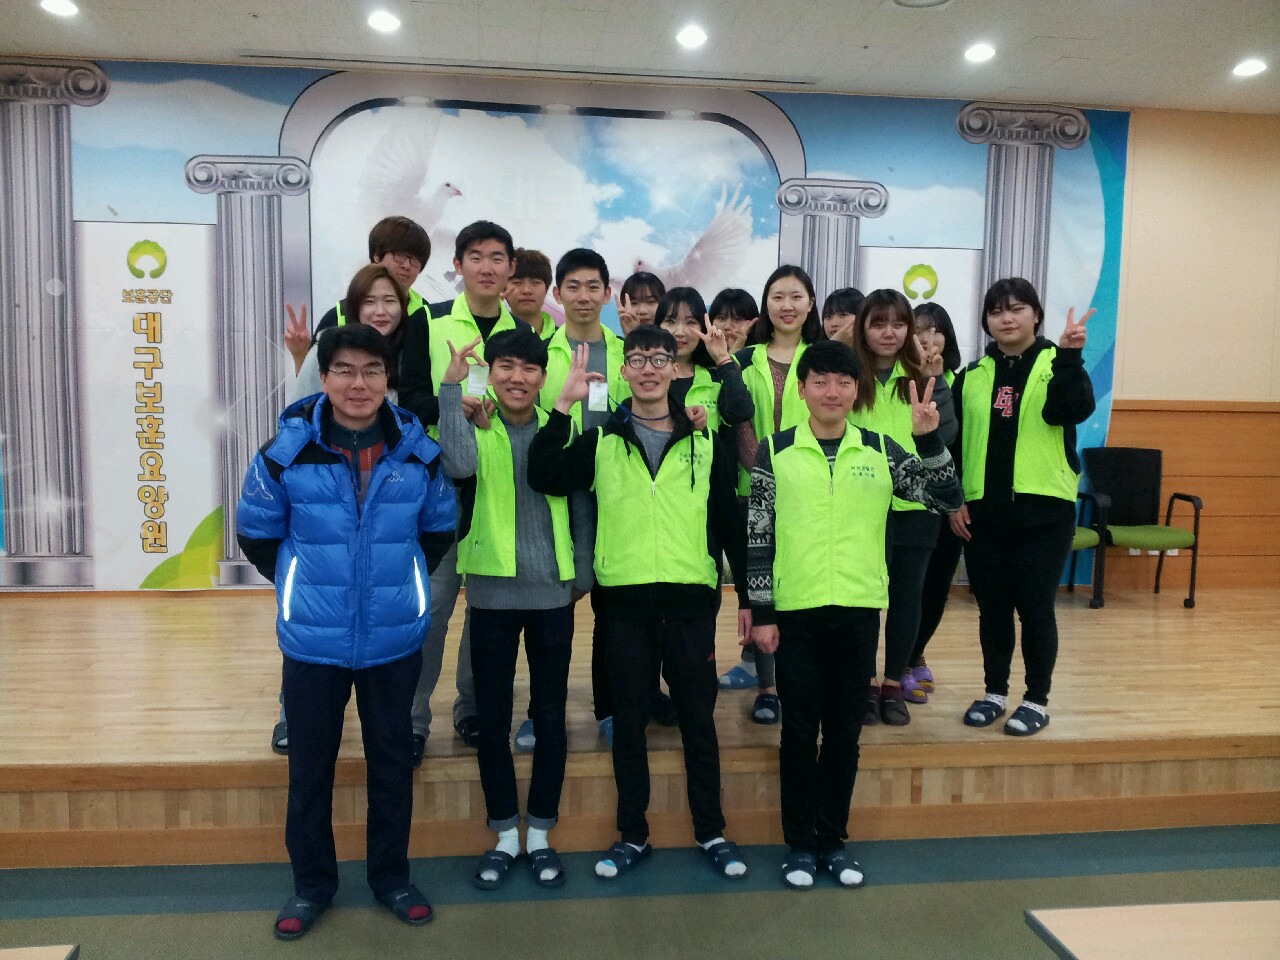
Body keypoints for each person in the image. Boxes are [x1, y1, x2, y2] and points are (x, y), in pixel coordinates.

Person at [236, 323, 457, 939]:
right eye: (345, 370)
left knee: (392, 764)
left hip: (393, 638)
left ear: (388, 380)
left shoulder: (419, 452)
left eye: (372, 371)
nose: (359, 384)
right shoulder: (285, 452)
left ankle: (392, 878)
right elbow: (257, 532)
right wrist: (303, 582)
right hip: (314, 641)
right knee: (310, 770)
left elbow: (440, 528)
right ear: (325, 377)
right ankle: (311, 885)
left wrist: (398, 581)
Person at [528, 326, 752, 881]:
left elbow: (729, 523)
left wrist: (751, 599)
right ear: (624, 371)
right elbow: (543, 474)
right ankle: (632, 834)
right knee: (628, 724)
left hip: (691, 602)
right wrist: (563, 406)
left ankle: (712, 831)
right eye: (637, 359)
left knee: (698, 722)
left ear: (675, 368)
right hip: (623, 604)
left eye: (658, 358)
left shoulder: (706, 441)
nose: (648, 368)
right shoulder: (601, 439)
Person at [746, 340, 960, 890]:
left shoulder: (881, 449)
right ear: (802, 389)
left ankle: (833, 841)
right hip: (795, 612)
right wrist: (763, 612)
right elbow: (758, 536)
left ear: (856, 390)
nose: (832, 391)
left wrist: (928, 437)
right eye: (819, 381)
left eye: (843, 382)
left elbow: (946, 497)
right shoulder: (774, 451)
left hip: (859, 611)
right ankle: (799, 845)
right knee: (799, 731)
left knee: (844, 733)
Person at [437, 328, 585, 890]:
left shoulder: (560, 428)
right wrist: (452, 390)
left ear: (543, 377)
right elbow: (456, 466)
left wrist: (581, 574)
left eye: (529, 368)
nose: (517, 378)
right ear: (491, 372)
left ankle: (541, 831)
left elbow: (582, 506)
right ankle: (503, 832)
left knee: (550, 716)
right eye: (506, 367)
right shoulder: (479, 424)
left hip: (552, 594)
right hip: (492, 594)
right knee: (494, 718)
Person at [272, 263, 431, 756]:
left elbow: (437, 528)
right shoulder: (329, 347)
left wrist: (401, 560)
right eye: (370, 301)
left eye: (391, 301)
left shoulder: (417, 349)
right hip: (323, 560)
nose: (381, 310)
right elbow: (261, 531)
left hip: (388, 566)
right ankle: (290, 715)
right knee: (313, 657)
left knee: (388, 744)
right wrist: (302, 563)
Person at [950, 278, 1094, 737]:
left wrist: (1070, 357)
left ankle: (1036, 700)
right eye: (996, 311)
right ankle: (995, 693)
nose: (1006, 318)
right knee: (992, 610)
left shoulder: (1058, 362)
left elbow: (1070, 410)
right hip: (983, 514)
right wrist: (954, 500)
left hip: (1043, 514)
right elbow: (954, 445)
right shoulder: (972, 375)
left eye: (1016, 309)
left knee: (1034, 608)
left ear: (1036, 315)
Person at [407, 220, 525, 757]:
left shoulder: (525, 331)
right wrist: (452, 401)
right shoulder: (429, 322)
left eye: (497, 257)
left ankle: (473, 708)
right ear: (457, 265)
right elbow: (407, 399)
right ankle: (412, 718)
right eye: (475, 256)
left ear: (511, 268)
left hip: (499, 487)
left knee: (487, 608)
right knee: (432, 606)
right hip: (438, 486)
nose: (486, 267)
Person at [842, 289, 957, 726]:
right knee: (865, 601)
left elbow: (946, 434)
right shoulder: (849, 375)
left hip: (917, 507)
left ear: (909, 328)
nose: (888, 333)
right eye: (878, 323)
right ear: (863, 328)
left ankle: (893, 685)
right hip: (861, 507)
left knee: (907, 599)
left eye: (898, 323)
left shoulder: (923, 374)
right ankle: (864, 685)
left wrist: (935, 380)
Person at [722, 265, 824, 725]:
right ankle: (767, 688)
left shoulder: (823, 359)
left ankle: (800, 680)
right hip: (751, 493)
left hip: (809, 493)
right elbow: (739, 422)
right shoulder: (743, 360)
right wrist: (765, 474)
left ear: (810, 303)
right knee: (761, 589)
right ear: (766, 304)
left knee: (799, 587)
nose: (787, 305)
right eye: (778, 296)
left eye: (796, 296)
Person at [905, 301, 965, 703]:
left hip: (949, 502)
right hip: (906, 502)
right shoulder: (899, 382)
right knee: (906, 589)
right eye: (918, 330)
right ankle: (896, 662)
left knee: (936, 586)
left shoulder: (964, 381)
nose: (927, 338)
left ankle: (914, 654)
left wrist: (959, 501)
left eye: (936, 330)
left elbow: (957, 442)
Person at [285, 215, 432, 375]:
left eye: (415, 259)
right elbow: (313, 384)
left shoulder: (428, 315)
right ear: (377, 256)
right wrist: (300, 355)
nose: (407, 265)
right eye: (400, 256)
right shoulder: (339, 315)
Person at [656, 286, 754, 433]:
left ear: (703, 327)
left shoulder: (716, 376)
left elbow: (741, 412)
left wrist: (723, 358)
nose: (680, 332)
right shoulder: (646, 373)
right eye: (670, 321)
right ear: (658, 325)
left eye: (690, 322)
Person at [505, 247, 557, 340]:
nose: (527, 290)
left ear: (546, 289)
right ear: (503, 288)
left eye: (536, 283)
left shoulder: (565, 339)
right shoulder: (487, 336)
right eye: (517, 283)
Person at [709, 287, 760, 355]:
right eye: (721, 318)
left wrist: (736, 352)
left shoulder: (761, 355)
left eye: (737, 319)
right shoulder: (699, 357)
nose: (727, 327)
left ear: (753, 323)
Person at [616, 271, 664, 336]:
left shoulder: (675, 339)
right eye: (634, 303)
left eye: (651, 301)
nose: (642, 311)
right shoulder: (614, 342)